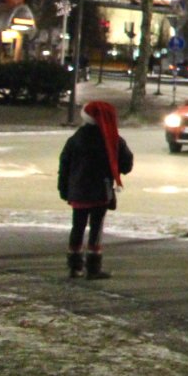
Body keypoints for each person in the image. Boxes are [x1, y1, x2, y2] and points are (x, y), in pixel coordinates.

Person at [57, 101, 133, 280]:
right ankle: (93, 267)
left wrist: (63, 188)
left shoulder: (75, 139)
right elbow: (126, 164)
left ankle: (75, 267)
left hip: (77, 190)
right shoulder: (112, 139)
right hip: (100, 190)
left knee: (77, 226)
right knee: (96, 229)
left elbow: (64, 165)